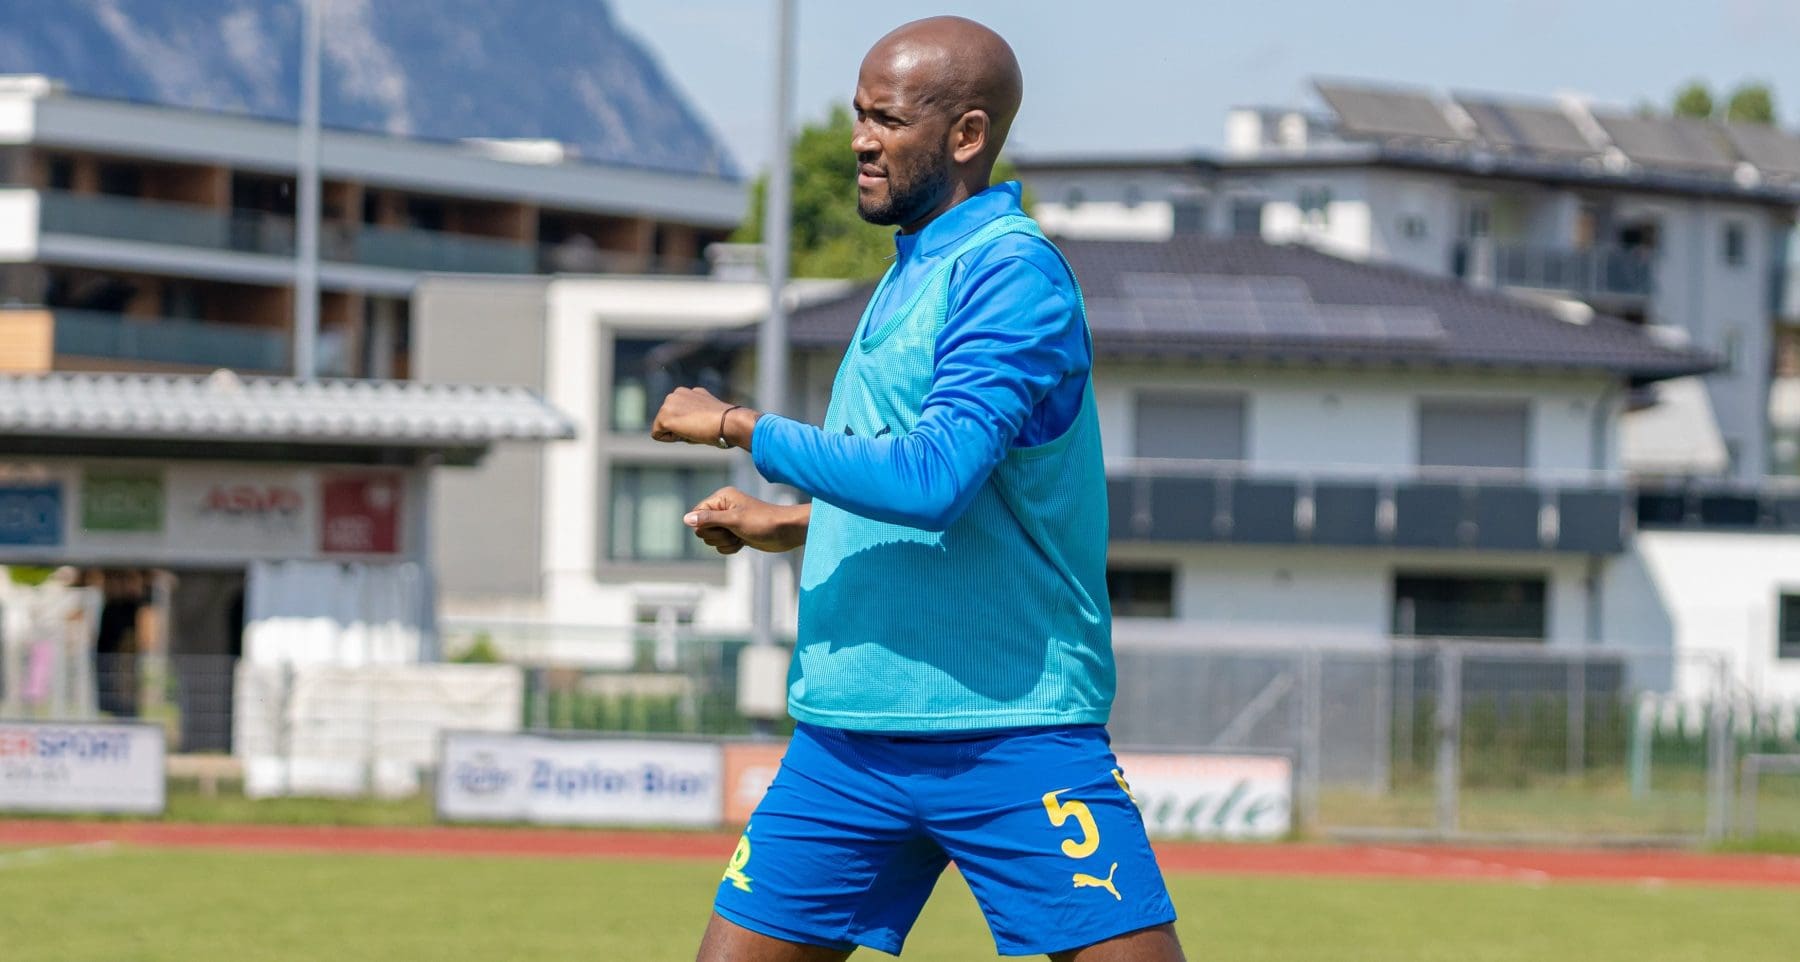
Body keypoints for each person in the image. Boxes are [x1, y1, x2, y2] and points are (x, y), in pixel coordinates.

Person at [651, 16, 1184, 961]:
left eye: (887, 120)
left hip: (1009, 732)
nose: (861, 139)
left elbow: (935, 480)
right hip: (847, 738)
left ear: (967, 136)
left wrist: (740, 427)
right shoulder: (909, 272)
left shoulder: (1010, 275)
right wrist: (792, 525)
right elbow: (941, 496)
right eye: (858, 114)